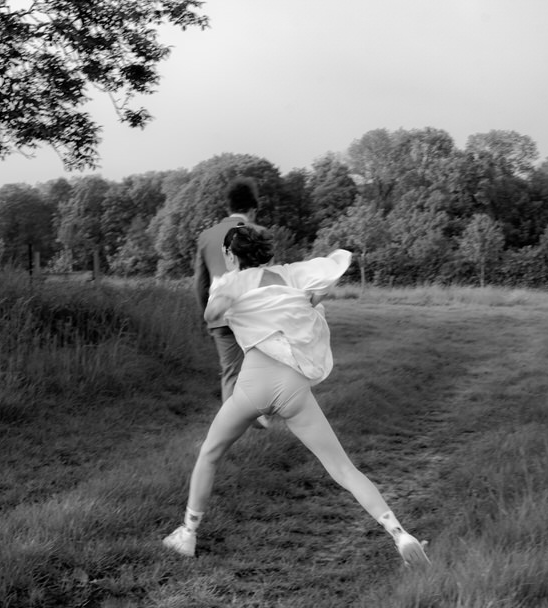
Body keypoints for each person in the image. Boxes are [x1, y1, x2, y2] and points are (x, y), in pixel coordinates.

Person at [163, 226, 430, 566]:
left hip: (253, 386)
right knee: (343, 468)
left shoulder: (230, 284)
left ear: (231, 255)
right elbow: (327, 276)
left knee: (210, 453)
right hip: (293, 389)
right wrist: (307, 301)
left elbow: (211, 316)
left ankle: (187, 534)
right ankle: (399, 533)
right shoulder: (291, 275)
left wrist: (229, 297)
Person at [194, 177, 262, 404]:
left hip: (220, 316)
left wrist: (208, 315)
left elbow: (200, 285)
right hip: (256, 316)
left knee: (231, 373)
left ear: (228, 207)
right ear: (253, 209)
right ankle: (254, 415)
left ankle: (233, 428)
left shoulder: (206, 236)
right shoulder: (260, 233)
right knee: (260, 369)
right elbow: (271, 281)